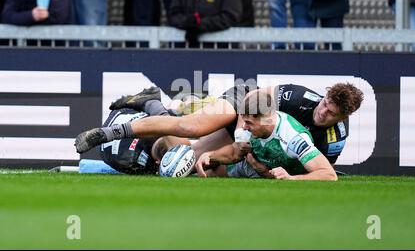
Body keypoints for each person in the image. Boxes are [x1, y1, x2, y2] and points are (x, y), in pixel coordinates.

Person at [75, 82, 364, 168]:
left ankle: (151, 102)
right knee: (191, 127)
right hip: (244, 107)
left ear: (344, 117)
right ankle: (108, 134)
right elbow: (253, 98)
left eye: (331, 112)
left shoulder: (334, 138)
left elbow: (313, 167)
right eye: (325, 103)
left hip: (255, 133)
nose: (322, 112)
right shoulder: (300, 97)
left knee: (191, 156)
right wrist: (241, 131)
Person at [195, 91, 338, 181]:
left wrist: (291, 178)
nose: (244, 127)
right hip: (251, 165)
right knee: (205, 171)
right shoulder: (253, 124)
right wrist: (210, 155)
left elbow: (328, 174)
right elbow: (235, 153)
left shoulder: (294, 138)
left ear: (266, 119)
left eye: (249, 123)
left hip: (269, 174)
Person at [98, 87, 190, 174]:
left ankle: (151, 103)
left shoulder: (140, 162)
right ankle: (152, 104)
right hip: (107, 143)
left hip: (122, 114)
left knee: (172, 116)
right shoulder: (145, 166)